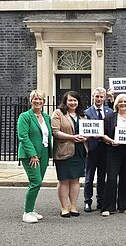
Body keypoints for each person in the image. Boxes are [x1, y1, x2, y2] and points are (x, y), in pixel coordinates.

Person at [17, 90, 52, 223]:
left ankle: (31, 209)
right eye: (35, 99)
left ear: (44, 102)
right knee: (35, 181)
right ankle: (26, 213)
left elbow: (49, 135)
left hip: (44, 152)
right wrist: (32, 154)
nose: (38, 101)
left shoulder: (46, 117)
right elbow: (23, 136)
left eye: (40, 99)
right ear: (30, 100)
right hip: (30, 154)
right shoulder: (24, 116)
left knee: (38, 182)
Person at [101, 94, 126, 216]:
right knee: (111, 178)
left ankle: (125, 205)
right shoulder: (110, 117)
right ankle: (108, 207)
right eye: (121, 101)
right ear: (116, 104)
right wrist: (111, 141)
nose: (123, 104)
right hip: (114, 150)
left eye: (125, 102)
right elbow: (103, 134)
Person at [51, 91, 88, 218]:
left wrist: (85, 137)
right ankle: (64, 208)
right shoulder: (58, 113)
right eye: (70, 100)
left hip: (79, 151)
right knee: (64, 179)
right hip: (64, 151)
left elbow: (88, 131)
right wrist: (72, 137)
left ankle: (73, 206)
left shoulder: (83, 115)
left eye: (75, 100)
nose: (73, 103)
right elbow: (55, 132)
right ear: (65, 101)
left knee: (76, 179)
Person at [84, 87, 113, 213]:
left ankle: (100, 200)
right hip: (92, 147)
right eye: (97, 96)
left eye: (101, 97)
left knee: (102, 176)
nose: (99, 99)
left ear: (104, 98)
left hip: (106, 148)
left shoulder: (110, 111)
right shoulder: (86, 112)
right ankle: (87, 201)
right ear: (93, 97)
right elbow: (84, 130)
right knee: (89, 176)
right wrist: (91, 135)